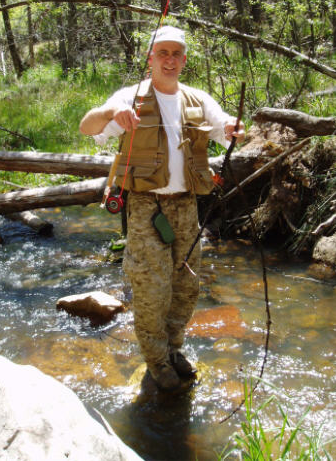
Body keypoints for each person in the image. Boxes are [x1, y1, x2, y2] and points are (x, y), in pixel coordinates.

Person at [79, 26, 245, 391]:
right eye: (162, 53)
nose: (169, 60)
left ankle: (173, 348)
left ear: (184, 60)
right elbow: (86, 127)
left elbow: (224, 129)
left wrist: (233, 128)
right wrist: (110, 110)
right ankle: (157, 364)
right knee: (152, 290)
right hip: (144, 208)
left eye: (176, 54)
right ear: (151, 57)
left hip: (187, 208)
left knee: (186, 287)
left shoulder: (200, 100)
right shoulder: (129, 97)